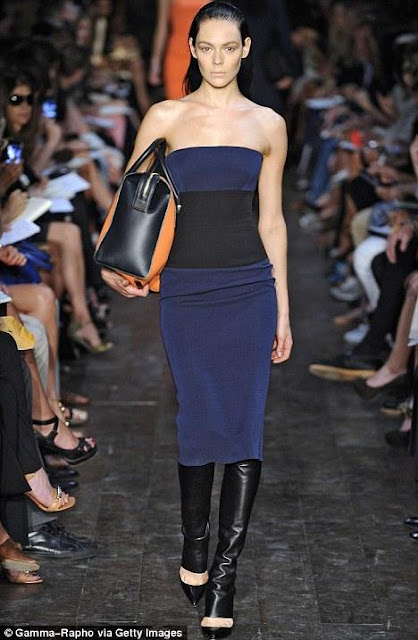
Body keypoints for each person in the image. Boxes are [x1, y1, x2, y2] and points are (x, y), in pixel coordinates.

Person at [100, 2, 292, 637]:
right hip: (184, 291)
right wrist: (115, 264)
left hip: (249, 289)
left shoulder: (268, 124)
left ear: (245, 49)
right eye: (205, 47)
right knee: (197, 420)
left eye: (228, 47)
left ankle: (224, 577)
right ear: (191, 48)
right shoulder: (166, 117)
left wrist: (283, 308)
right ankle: (195, 540)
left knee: (244, 430)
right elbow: (133, 199)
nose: (217, 58)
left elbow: (272, 221)